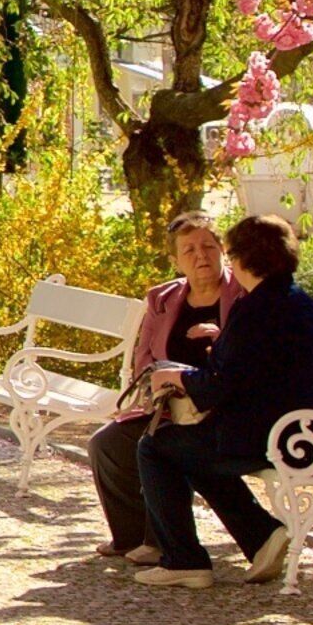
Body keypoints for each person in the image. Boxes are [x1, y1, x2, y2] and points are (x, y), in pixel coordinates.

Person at [131, 212, 313, 587]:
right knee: (192, 448)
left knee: (157, 446)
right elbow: (243, 372)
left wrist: (174, 375)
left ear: (241, 259)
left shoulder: (256, 309)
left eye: (226, 252)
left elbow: (216, 385)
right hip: (310, 433)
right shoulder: (294, 300)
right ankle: (261, 537)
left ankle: (183, 560)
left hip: (285, 439)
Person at [90, 212, 229, 562]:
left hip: (221, 408)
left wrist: (219, 340)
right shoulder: (162, 298)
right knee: (105, 443)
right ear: (175, 261)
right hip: (169, 404)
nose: (201, 256)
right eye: (189, 250)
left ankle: (161, 541)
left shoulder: (241, 296)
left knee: (163, 444)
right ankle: (131, 537)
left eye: (208, 246)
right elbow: (144, 359)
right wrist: (158, 395)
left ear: (222, 249)